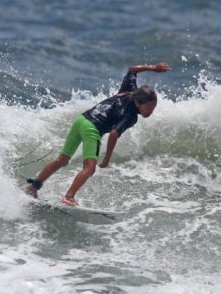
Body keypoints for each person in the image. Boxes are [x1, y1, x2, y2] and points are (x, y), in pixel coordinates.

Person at [24, 62, 171, 206]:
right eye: (148, 108)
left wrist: (153, 68)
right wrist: (106, 159)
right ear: (138, 104)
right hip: (92, 128)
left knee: (62, 160)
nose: (151, 111)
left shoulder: (130, 90)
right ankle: (68, 198)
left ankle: (33, 187)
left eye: (153, 108)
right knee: (90, 168)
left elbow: (132, 70)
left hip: (81, 120)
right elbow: (114, 134)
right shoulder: (131, 116)